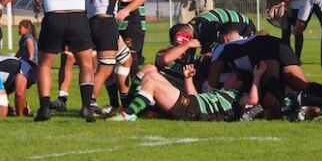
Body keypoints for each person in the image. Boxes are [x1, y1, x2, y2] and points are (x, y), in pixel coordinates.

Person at [0, 0, 137, 122]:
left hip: (53, 17)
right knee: (85, 64)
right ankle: (86, 108)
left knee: (45, 65)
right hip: (77, 17)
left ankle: (44, 109)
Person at [84, 0, 139, 114]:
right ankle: (90, 102)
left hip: (90, 19)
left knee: (126, 59)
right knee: (106, 66)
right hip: (105, 20)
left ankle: (124, 101)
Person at [109, 61, 262, 122]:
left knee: (153, 83)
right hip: (192, 103)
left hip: (193, 110)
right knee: (150, 71)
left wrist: (256, 77)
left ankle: (129, 114)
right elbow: (195, 97)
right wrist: (188, 78)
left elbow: (253, 100)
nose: (227, 77)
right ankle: (128, 108)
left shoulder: (237, 97)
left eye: (231, 76)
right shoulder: (221, 91)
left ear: (239, 83)